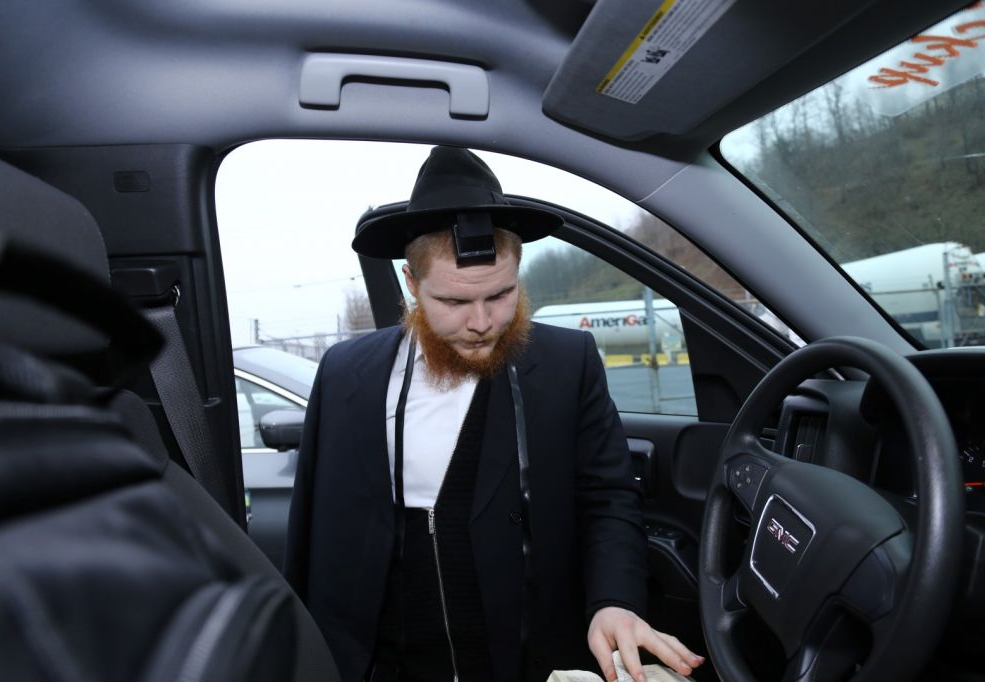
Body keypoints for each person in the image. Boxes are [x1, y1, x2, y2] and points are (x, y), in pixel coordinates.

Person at [284, 146, 704, 682]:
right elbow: (313, 523)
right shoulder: (345, 372)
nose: (482, 322)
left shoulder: (567, 363)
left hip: (522, 652)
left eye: (501, 295)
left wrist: (614, 601)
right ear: (412, 284)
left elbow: (608, 497)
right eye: (454, 303)